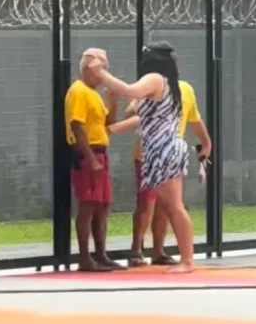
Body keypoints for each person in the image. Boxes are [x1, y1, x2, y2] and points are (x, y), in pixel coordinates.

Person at [86, 42, 197, 274]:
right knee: (171, 205)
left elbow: (129, 90)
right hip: (161, 148)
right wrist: (114, 128)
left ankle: (187, 260)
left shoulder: (156, 78)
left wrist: (100, 73)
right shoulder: (169, 85)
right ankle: (186, 258)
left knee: (174, 206)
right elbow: (144, 119)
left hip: (163, 149)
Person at [114, 79, 211, 268]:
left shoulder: (185, 89)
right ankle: (137, 250)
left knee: (168, 205)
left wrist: (206, 143)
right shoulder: (149, 85)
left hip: (171, 154)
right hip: (147, 154)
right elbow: (132, 114)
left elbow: (194, 118)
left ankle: (159, 251)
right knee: (148, 202)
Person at [65, 48, 124, 272]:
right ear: (88, 69)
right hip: (88, 154)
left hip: (100, 152)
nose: (103, 75)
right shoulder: (78, 91)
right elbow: (76, 125)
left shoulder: (94, 93)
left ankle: (101, 254)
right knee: (88, 205)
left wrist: (113, 102)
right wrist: (90, 159)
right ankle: (85, 257)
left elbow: (108, 123)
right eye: (100, 70)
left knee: (102, 205)